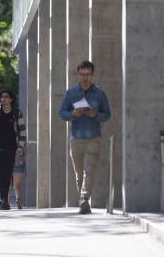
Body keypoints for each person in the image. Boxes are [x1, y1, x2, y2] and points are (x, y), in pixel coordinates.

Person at [59, 60, 111, 214]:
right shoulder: (71, 93)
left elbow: (107, 115)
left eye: (88, 75)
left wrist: (95, 115)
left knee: (89, 171)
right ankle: (84, 201)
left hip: (93, 137)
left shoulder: (100, 94)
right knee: (79, 173)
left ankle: (83, 199)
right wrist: (72, 114)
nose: (85, 77)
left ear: (92, 75)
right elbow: (62, 113)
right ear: (78, 74)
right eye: (82, 74)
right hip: (76, 138)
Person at [0, 89, 26, 210]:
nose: (4, 99)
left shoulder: (16, 112)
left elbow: (22, 131)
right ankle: (3, 200)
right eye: (2, 97)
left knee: (8, 173)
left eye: (6, 97)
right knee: (1, 173)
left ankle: (4, 200)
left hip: (12, 147)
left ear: (11, 99)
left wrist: (20, 147)